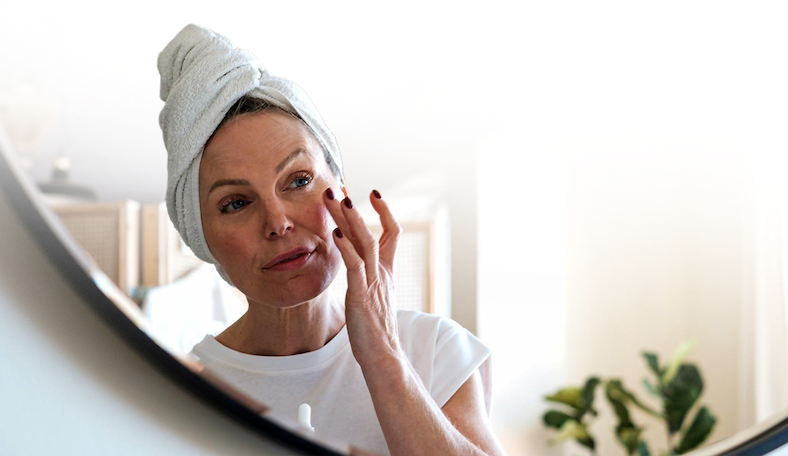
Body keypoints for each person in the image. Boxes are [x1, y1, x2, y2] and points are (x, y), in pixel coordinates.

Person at [156, 22, 507, 456]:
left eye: (298, 180)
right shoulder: (181, 391)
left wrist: (383, 356)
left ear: (342, 190)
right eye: (235, 203)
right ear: (200, 237)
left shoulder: (433, 350)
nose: (278, 221)